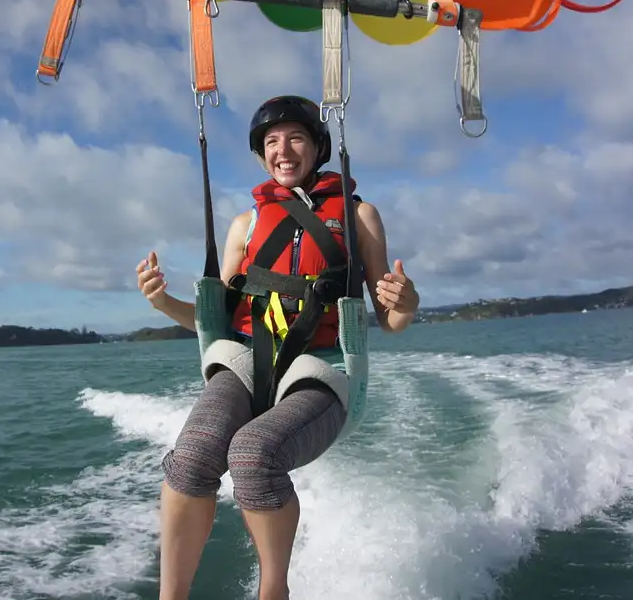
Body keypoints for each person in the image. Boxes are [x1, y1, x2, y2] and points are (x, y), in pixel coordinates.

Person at [135, 95, 420, 600]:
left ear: (317, 147)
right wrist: (165, 304)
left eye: (295, 138)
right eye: (271, 142)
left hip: (321, 367)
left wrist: (407, 302)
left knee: (252, 453)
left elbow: (391, 320)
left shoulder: (360, 216)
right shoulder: (245, 225)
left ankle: (273, 591)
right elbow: (214, 317)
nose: (282, 150)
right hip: (247, 358)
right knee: (192, 457)